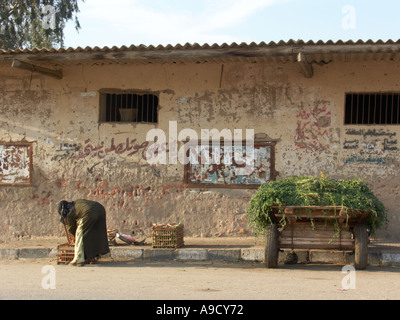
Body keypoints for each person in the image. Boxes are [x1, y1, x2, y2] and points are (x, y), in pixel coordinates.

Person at [57, 199, 110, 266]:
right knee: (97, 232)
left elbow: (71, 228)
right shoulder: (77, 202)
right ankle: (94, 255)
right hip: (100, 208)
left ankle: (79, 259)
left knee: (80, 233)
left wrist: (75, 237)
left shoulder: (69, 212)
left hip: (89, 212)